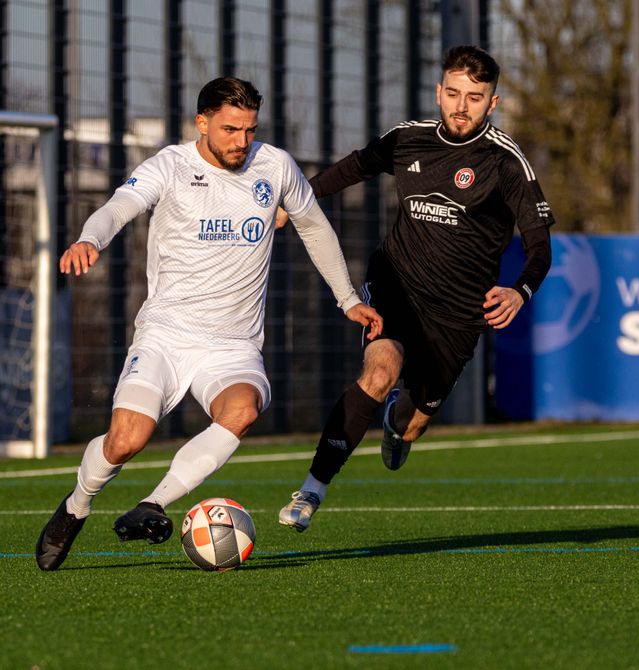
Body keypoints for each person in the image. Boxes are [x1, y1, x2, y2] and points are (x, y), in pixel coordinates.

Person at [35, 77, 382, 571]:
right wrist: (91, 239)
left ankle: (153, 503)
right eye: (229, 129)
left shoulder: (275, 166)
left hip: (233, 345)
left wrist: (346, 298)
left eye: (249, 129)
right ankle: (76, 506)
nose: (242, 141)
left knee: (243, 409)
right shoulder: (171, 166)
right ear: (202, 122)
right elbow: (118, 207)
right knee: (125, 440)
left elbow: (315, 228)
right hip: (165, 335)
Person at [277, 45, 553, 532]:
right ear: (438, 93)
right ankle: (312, 488)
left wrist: (520, 291)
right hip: (396, 285)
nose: (461, 106)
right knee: (381, 371)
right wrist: (296, 200)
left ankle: (397, 426)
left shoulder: (505, 162)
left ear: (492, 103)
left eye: (474, 97)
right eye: (453, 94)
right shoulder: (408, 139)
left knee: (414, 421)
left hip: (459, 314)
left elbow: (540, 247)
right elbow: (353, 167)